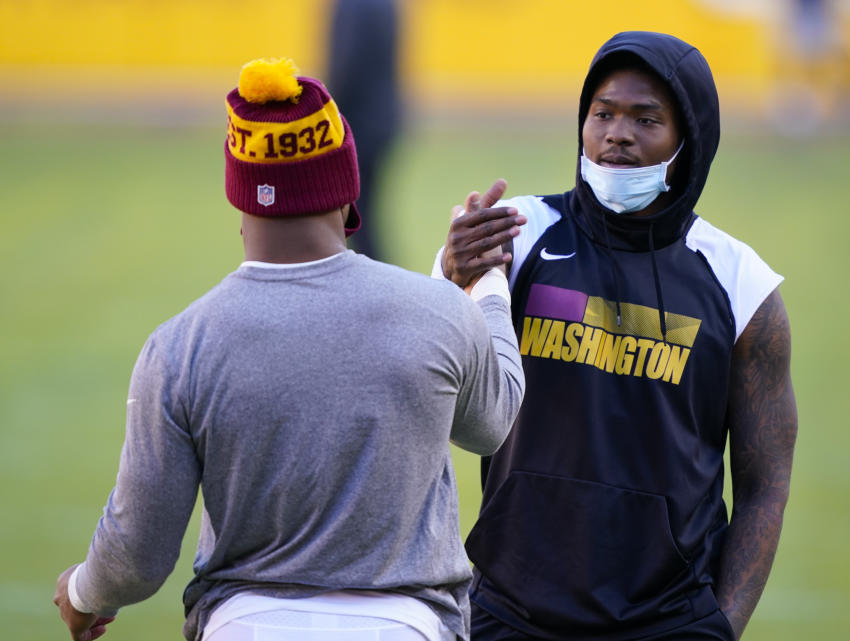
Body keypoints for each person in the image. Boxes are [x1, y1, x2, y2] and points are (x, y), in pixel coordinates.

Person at [53, 58, 524, 641]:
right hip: (407, 625)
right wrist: (486, 286)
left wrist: (82, 592)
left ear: (239, 193)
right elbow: (492, 424)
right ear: (347, 191)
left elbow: (138, 555)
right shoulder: (437, 313)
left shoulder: (178, 346)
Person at [434, 32, 798, 640]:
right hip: (510, 613)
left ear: (690, 139)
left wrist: (721, 627)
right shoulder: (513, 239)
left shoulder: (742, 286)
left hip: (669, 621)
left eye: (646, 119)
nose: (617, 134)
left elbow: (765, 486)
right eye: (602, 113)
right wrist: (452, 279)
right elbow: (427, 398)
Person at [326, 0, 401, 261]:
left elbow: (346, 65)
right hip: (382, 119)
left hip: (358, 124)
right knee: (365, 216)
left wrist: (326, 111)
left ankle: (383, 289)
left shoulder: (352, 5)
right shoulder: (384, 4)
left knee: (356, 217)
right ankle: (385, 285)